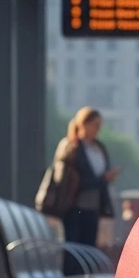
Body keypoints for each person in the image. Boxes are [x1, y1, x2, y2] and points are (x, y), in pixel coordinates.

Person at [55, 106, 120, 264]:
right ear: (83, 124)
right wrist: (103, 179)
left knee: (88, 250)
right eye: (95, 125)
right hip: (74, 206)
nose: (97, 130)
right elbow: (73, 179)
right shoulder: (72, 147)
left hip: (93, 207)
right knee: (73, 250)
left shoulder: (99, 148)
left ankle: (84, 277)